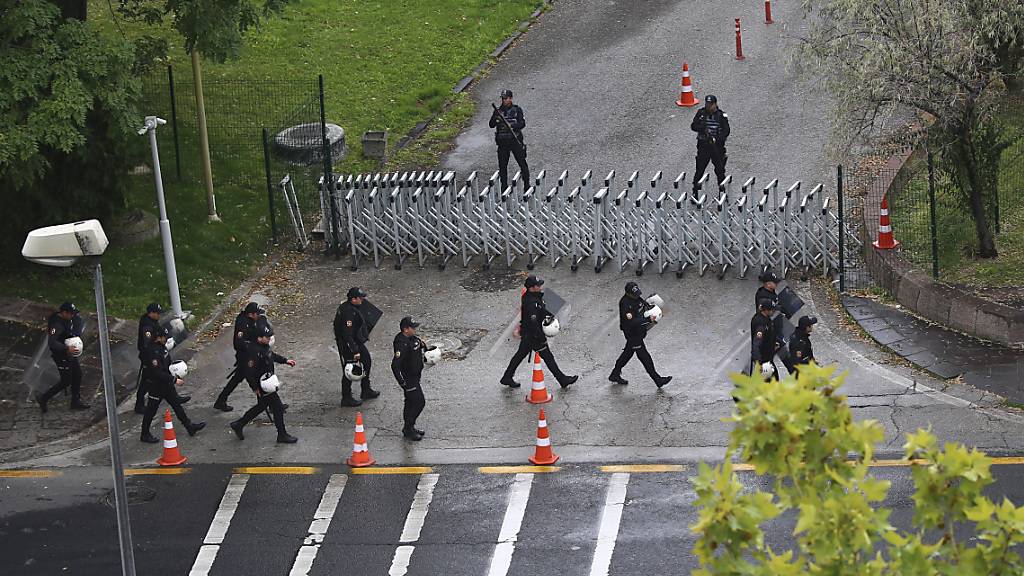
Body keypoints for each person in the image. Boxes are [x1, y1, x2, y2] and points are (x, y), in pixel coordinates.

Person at [500, 275, 578, 388]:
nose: (540, 286)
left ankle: (507, 377)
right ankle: (562, 379)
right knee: (548, 357)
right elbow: (534, 323)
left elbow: (541, 310)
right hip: (533, 336)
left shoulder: (533, 297)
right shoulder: (531, 303)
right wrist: (541, 337)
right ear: (531, 288)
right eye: (538, 285)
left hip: (527, 334)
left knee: (520, 355)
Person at [229, 317, 298, 443]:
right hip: (263, 385)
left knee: (261, 406)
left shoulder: (264, 347)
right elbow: (249, 373)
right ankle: (282, 435)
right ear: (259, 338)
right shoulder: (254, 352)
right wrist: (255, 388)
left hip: (267, 382)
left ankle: (239, 424)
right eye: (267, 337)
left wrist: (285, 361)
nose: (269, 339)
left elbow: (272, 356)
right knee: (277, 408)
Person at [139, 326, 205, 443]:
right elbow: (157, 372)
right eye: (164, 337)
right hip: (156, 386)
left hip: (166, 383)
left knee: (176, 404)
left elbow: (166, 365)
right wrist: (174, 380)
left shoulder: (161, 348)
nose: (166, 339)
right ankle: (145, 434)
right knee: (151, 410)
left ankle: (189, 426)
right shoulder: (151, 352)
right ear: (158, 338)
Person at [609, 282, 672, 388]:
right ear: (628, 293)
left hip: (639, 331)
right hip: (632, 334)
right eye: (635, 294)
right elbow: (631, 322)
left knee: (627, 354)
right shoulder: (625, 304)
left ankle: (614, 374)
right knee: (644, 356)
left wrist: (653, 307)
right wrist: (647, 319)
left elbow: (643, 306)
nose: (637, 296)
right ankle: (657, 379)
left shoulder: (636, 298)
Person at [34, 301, 89, 412]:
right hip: (61, 355)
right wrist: (66, 349)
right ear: (63, 312)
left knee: (77, 375)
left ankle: (75, 401)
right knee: (66, 380)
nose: (73, 316)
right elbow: (52, 342)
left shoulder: (67, 319)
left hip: (70, 352)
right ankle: (43, 398)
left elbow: (77, 321)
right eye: (71, 314)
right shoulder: (57, 324)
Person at [135, 302, 189, 414]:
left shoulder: (152, 321)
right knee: (146, 381)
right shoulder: (147, 326)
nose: (159, 315)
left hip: (157, 353)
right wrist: (158, 341)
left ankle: (175, 397)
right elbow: (148, 342)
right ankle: (139, 405)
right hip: (150, 357)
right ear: (151, 313)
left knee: (166, 372)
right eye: (157, 313)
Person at [333, 287, 380, 407]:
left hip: (355, 340)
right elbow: (347, 335)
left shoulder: (351, 307)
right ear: (353, 299)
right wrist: (355, 351)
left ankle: (366, 389)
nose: (363, 300)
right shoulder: (348, 312)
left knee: (367, 361)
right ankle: (346, 397)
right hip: (348, 344)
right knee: (349, 369)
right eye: (360, 298)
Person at [392, 316, 434, 441]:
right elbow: (395, 365)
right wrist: (402, 382)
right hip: (409, 379)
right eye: (413, 327)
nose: (415, 329)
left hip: (416, 376)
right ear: (405, 329)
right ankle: (408, 428)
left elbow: (420, 345)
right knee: (419, 402)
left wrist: (427, 351)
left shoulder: (412, 338)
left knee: (410, 403)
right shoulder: (401, 343)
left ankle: (409, 427)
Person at [214, 302, 262, 412]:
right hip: (245, 357)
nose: (258, 316)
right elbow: (239, 343)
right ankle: (267, 403)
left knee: (237, 379)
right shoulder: (243, 324)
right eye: (257, 314)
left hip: (247, 356)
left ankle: (220, 400)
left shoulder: (249, 320)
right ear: (251, 314)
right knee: (255, 379)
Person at [490, 89, 530, 195]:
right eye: (502, 98)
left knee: (522, 163)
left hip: (514, 141)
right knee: (502, 166)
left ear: (510, 98)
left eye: (505, 98)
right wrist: (496, 117)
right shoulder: (498, 111)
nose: (503, 100)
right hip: (503, 143)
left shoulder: (517, 110)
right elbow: (491, 124)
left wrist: (511, 126)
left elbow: (522, 124)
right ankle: (504, 187)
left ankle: (527, 185)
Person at [690, 94, 730, 197]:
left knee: (720, 170)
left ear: (715, 104)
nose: (708, 106)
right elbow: (693, 126)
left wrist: (717, 139)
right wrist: (702, 129)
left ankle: (722, 192)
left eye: (711, 104)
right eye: (707, 104)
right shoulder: (701, 113)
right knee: (700, 170)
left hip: (717, 147)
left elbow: (726, 130)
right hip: (703, 146)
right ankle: (695, 192)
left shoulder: (721, 115)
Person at [750, 299, 780, 382]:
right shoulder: (761, 323)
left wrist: (773, 343)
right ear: (766, 310)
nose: (774, 312)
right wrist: (758, 362)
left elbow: (768, 335)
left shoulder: (766, 319)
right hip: (764, 361)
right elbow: (756, 344)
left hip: (767, 359)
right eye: (772, 310)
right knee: (770, 383)